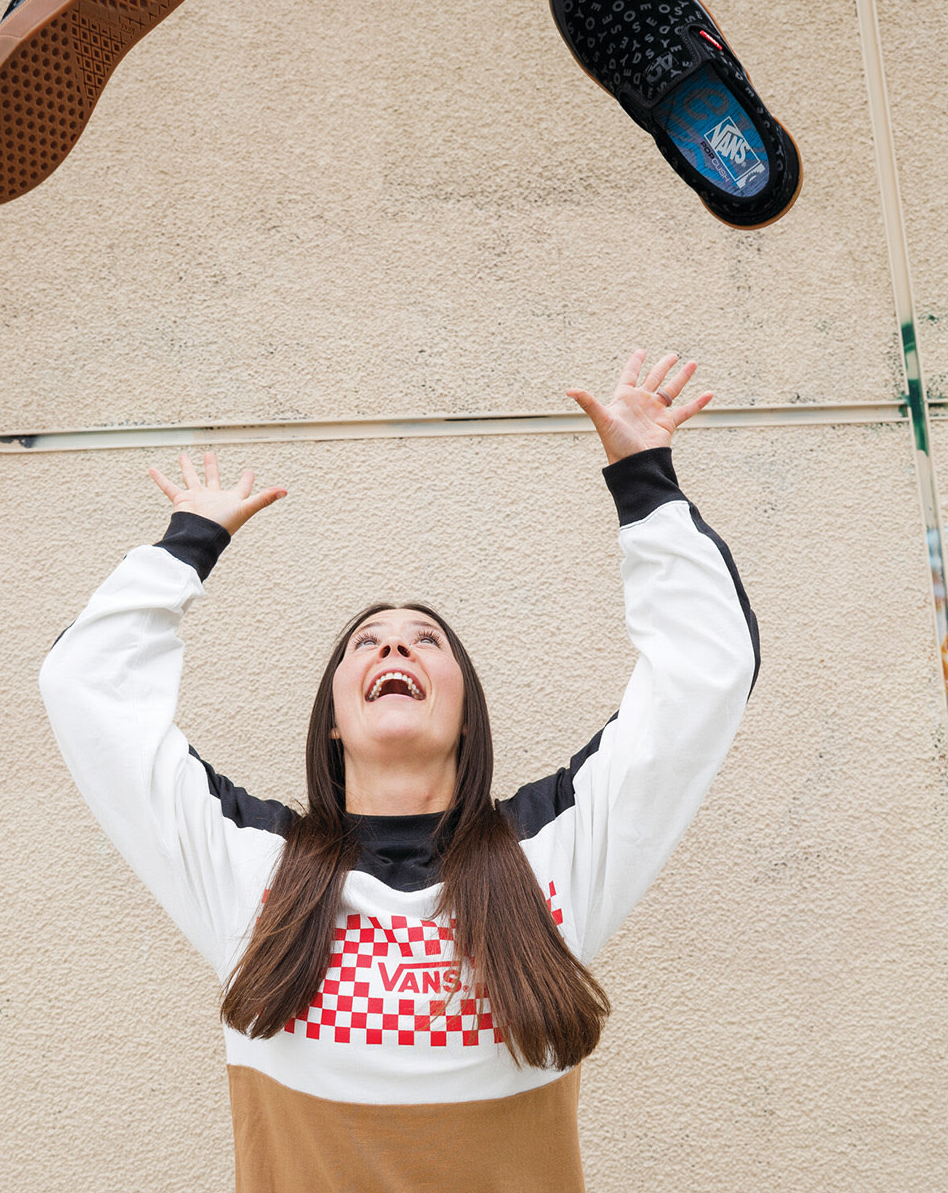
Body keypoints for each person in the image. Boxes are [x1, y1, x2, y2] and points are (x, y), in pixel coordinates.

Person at [39, 348, 759, 1191]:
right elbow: (87, 691)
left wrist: (644, 480)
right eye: (367, 642)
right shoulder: (248, 872)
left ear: (466, 709)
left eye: (425, 640)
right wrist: (187, 545)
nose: (393, 648)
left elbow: (701, 679)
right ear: (333, 720)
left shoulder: (555, 858)